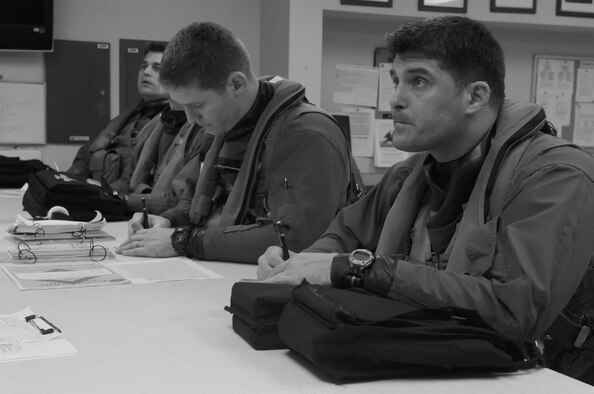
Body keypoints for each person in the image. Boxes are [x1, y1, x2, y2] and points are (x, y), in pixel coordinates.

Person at [257, 15, 594, 351]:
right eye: (396, 81)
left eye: (418, 82)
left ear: (475, 97)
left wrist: (356, 270)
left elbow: (514, 310)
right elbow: (343, 237)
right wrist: (297, 264)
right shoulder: (410, 173)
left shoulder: (557, 174)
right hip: (435, 354)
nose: (395, 100)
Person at [116, 21, 355, 263]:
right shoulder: (219, 126)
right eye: (182, 106)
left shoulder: (305, 134)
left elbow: (294, 239)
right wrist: (169, 220)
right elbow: (197, 202)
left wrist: (183, 240)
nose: (191, 119)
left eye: (197, 106)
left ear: (236, 84)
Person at [67, 42, 169, 184]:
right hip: (104, 199)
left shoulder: (177, 124)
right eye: (144, 66)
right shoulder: (123, 121)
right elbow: (86, 156)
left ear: (175, 77)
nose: (146, 72)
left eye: (156, 68)